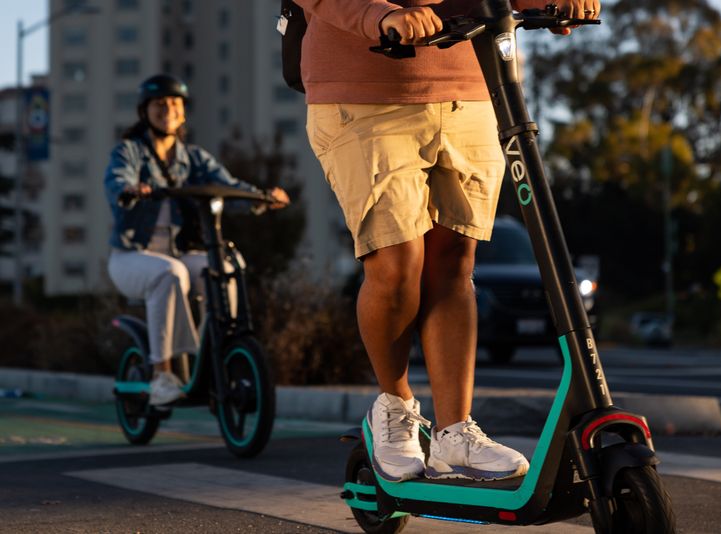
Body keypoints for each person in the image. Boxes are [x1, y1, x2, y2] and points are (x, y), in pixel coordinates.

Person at [297, 0, 600, 482]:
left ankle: (454, 430)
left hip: (473, 90)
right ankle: (394, 407)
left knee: (457, 263)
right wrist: (379, 15)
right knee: (397, 262)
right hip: (364, 95)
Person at [104, 74, 289, 406]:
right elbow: (117, 180)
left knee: (224, 268)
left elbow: (227, 186)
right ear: (145, 111)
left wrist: (261, 197)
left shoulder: (194, 158)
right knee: (170, 273)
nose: (168, 110)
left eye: (175, 103)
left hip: (177, 253)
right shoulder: (129, 152)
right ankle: (162, 375)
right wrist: (130, 189)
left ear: (184, 111)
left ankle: (222, 352)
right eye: (159, 104)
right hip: (131, 256)